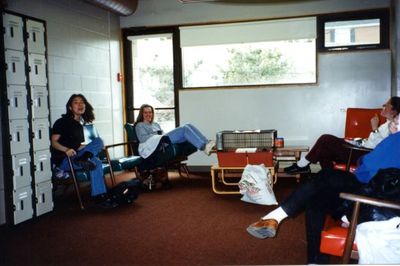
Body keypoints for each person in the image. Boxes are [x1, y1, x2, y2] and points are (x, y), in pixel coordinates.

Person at [246, 115, 400, 264]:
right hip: (376, 199)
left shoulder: (396, 139)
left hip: (371, 201)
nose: (394, 123)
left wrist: (391, 138)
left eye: (397, 120)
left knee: (325, 176)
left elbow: (366, 167)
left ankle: (275, 218)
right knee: (317, 196)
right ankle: (315, 261)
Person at [284, 97, 400, 174]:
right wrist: (358, 141)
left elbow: (381, 147)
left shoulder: (394, 126)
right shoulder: (387, 123)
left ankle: (303, 165)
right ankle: (327, 177)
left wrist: (374, 128)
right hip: (361, 148)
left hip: (364, 155)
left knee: (326, 139)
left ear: (394, 111)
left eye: (387, 104)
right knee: (324, 151)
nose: (383, 105)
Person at [51, 94, 117, 208]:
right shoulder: (62, 121)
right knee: (97, 149)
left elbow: (78, 146)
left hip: (76, 157)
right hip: (64, 161)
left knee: (97, 153)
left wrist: (95, 147)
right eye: (76, 102)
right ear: (70, 107)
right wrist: (66, 149)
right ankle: (84, 159)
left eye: (82, 102)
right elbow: (53, 142)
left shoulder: (78, 124)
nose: (80, 104)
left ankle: (99, 197)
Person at [134, 104, 215, 159]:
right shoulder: (140, 125)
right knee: (184, 129)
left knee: (188, 125)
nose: (148, 114)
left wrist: (160, 134)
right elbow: (142, 139)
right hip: (157, 145)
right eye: (145, 112)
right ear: (142, 114)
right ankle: (203, 147)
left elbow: (162, 133)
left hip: (163, 139)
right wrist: (155, 134)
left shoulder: (155, 124)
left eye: (150, 112)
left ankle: (206, 143)